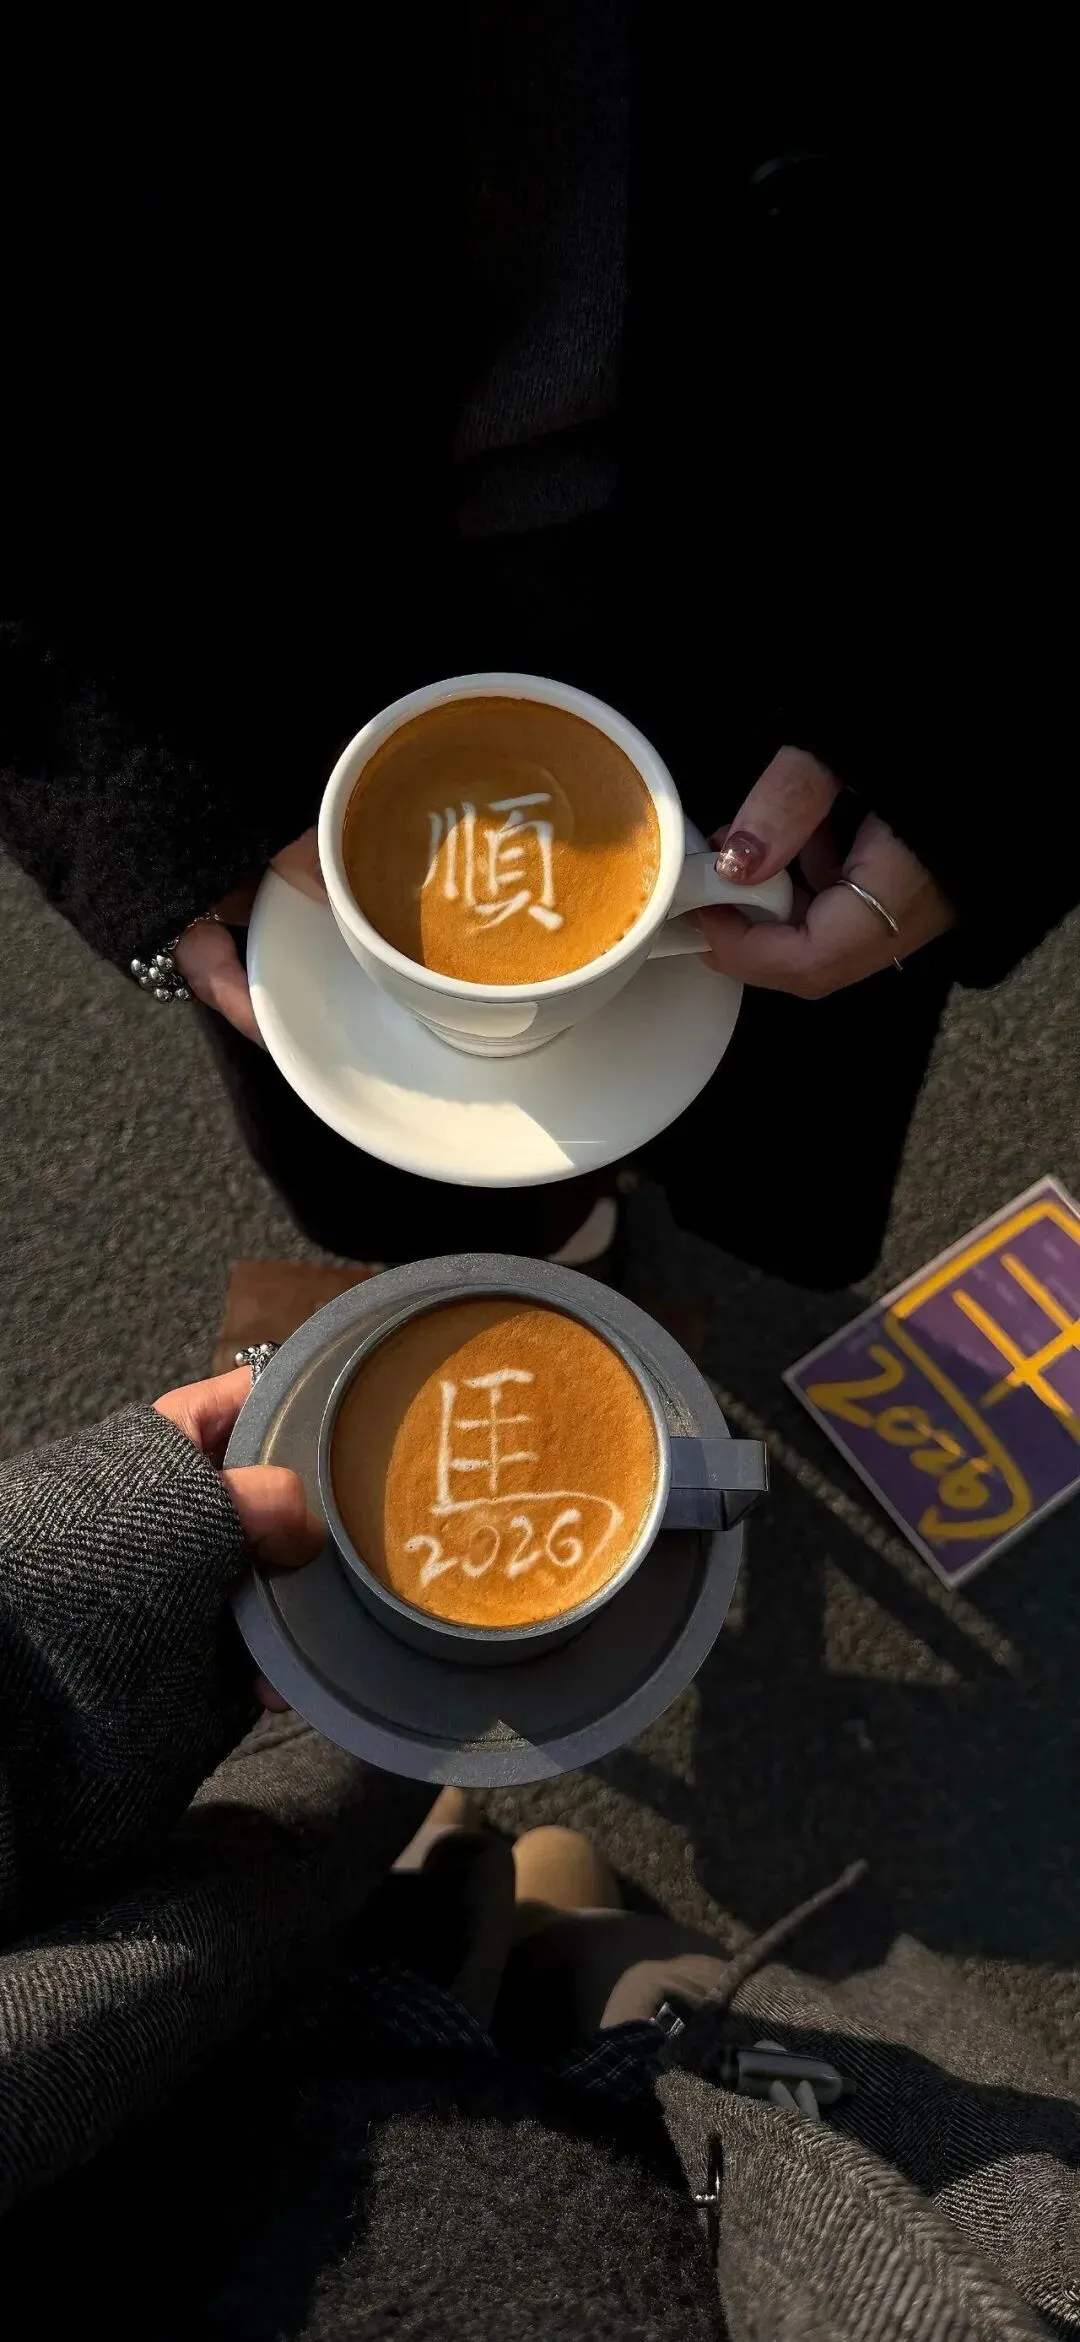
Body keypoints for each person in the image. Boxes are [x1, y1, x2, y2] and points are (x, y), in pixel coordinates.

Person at [1, 17, 1071, 1283]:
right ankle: (556, 1250)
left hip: (852, 596)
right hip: (245, 644)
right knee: (427, 1184)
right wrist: (125, 783)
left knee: (769, 1085)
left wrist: (996, 705)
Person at [1, 1362, 1076, 2338]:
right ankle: (536, 1926)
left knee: (379, 1851)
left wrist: (57, 1609)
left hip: (204, 2056)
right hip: (681, 2178)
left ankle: (468, 1897)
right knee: (627, 1963)